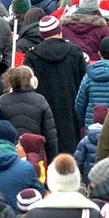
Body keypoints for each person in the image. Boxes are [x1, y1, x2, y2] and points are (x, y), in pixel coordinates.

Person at [27, 15, 88, 153]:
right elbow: (84, 81)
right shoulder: (74, 51)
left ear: (42, 35)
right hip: (71, 107)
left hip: (44, 109)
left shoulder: (33, 56)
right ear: (59, 31)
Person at [0, 65, 60, 155]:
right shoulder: (41, 100)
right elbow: (50, 136)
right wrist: (51, 159)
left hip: (8, 153)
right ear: (33, 81)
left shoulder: (2, 100)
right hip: (35, 154)